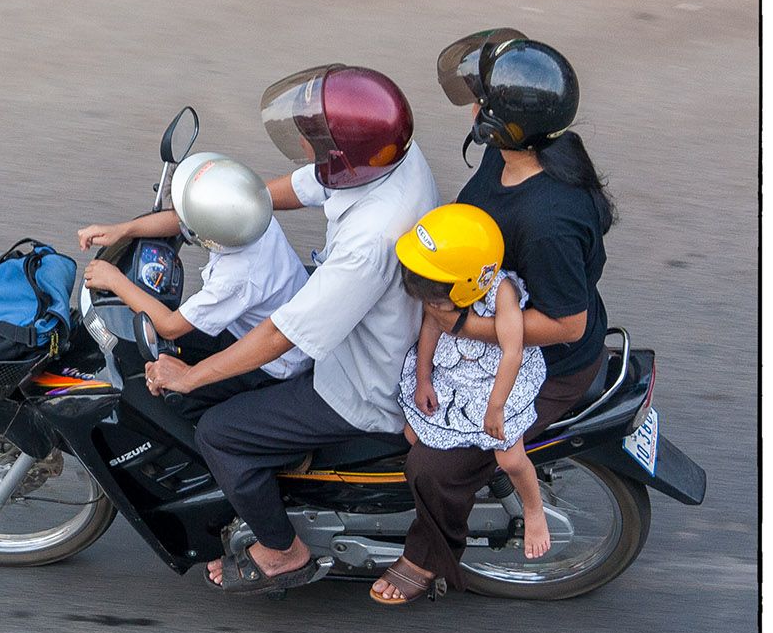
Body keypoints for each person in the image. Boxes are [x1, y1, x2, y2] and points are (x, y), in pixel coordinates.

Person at [142, 64, 441, 594]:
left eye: (315, 137)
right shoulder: (391, 155)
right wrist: (225, 205)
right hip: (360, 323)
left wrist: (190, 378)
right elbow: (283, 192)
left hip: (357, 380)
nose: (305, 141)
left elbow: (281, 337)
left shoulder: (370, 241)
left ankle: (283, 551)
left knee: (221, 433)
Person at [371, 30, 617, 603]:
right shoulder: (508, 153)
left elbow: (567, 326)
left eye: (483, 103)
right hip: (478, 308)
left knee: (432, 467)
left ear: (506, 122)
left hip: (542, 360)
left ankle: (426, 556)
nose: (474, 109)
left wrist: (461, 326)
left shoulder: (549, 219)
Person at [77, 153, 313, 414]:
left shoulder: (235, 276)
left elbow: (169, 326)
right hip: (252, 323)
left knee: (168, 397)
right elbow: (182, 222)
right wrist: (123, 230)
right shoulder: (248, 215)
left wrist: (114, 279)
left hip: (273, 363)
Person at [390, 204, 551, 586]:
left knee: (509, 456)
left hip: (500, 379)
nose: (435, 308)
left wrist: (496, 409)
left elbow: (512, 350)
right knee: (414, 434)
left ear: (467, 286)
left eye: (441, 301)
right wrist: (423, 379)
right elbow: (432, 326)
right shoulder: (441, 286)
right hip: (457, 370)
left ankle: (533, 508)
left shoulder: (503, 293)